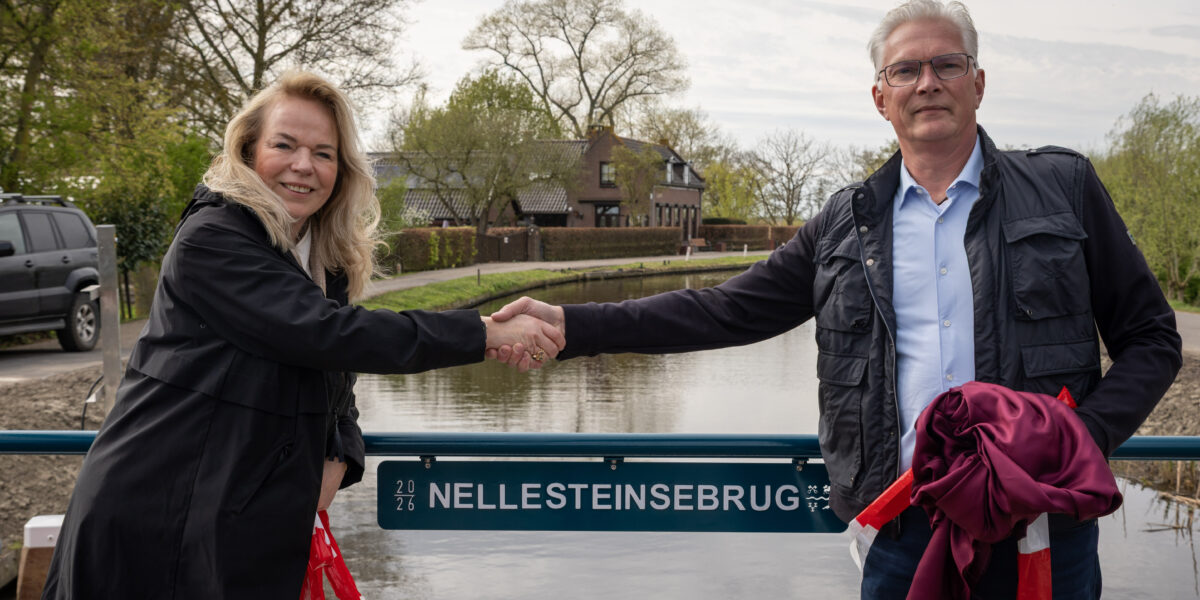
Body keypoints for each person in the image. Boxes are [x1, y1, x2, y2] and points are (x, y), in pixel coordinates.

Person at [489, 1, 1182, 597]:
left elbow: (1151, 337)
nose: (927, 82)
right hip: (902, 528)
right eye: (905, 70)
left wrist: (1081, 439)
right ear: (881, 97)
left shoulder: (1064, 190)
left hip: (1040, 526)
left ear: (978, 83)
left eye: (947, 65)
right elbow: (725, 310)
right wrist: (571, 323)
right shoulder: (846, 223)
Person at [41, 71, 563, 599]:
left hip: (232, 512)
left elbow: (335, 373)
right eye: (284, 145)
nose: (303, 165)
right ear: (248, 150)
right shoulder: (212, 239)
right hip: (153, 515)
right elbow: (327, 334)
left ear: (341, 169)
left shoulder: (320, 254)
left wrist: (342, 450)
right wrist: (482, 333)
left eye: (323, 153)